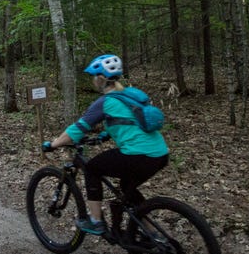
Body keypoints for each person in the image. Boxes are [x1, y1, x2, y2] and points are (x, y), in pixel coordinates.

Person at [42, 54, 169, 236]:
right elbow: (127, 122)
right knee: (127, 188)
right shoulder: (128, 95)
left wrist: (53, 144)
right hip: (160, 154)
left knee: (93, 168)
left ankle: (96, 221)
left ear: (101, 78)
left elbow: (76, 130)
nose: (93, 80)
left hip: (139, 155)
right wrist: (103, 136)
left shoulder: (105, 102)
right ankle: (151, 233)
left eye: (94, 76)